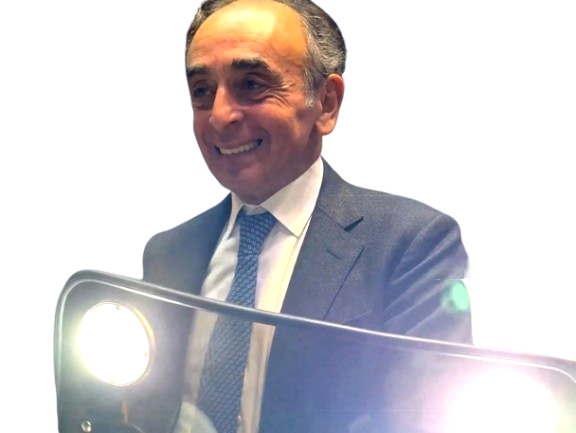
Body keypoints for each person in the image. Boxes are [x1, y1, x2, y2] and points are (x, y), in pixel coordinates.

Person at [141, 0, 473, 431]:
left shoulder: (410, 244)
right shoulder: (167, 251)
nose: (220, 116)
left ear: (327, 103)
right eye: (202, 91)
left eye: (252, 84)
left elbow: (424, 420)